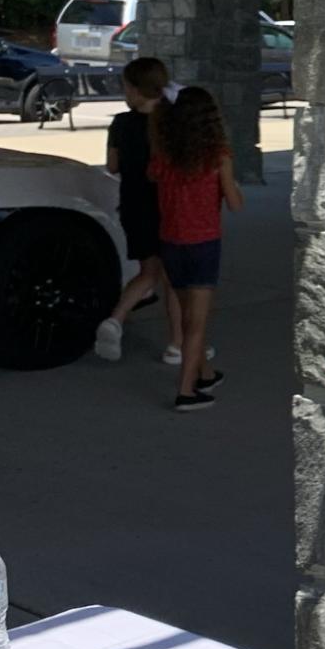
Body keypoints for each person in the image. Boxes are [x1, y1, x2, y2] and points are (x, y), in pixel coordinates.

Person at [150, 85, 244, 411]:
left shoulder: (163, 157)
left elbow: (154, 178)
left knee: (188, 314)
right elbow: (234, 203)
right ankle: (186, 391)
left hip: (171, 242)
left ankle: (205, 373)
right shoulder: (218, 157)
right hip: (204, 243)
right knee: (197, 322)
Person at [94, 58, 183, 364]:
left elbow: (113, 165)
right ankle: (177, 345)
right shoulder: (172, 122)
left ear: (133, 88)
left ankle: (115, 320)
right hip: (168, 206)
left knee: (148, 272)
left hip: (133, 205)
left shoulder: (121, 123)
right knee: (172, 278)